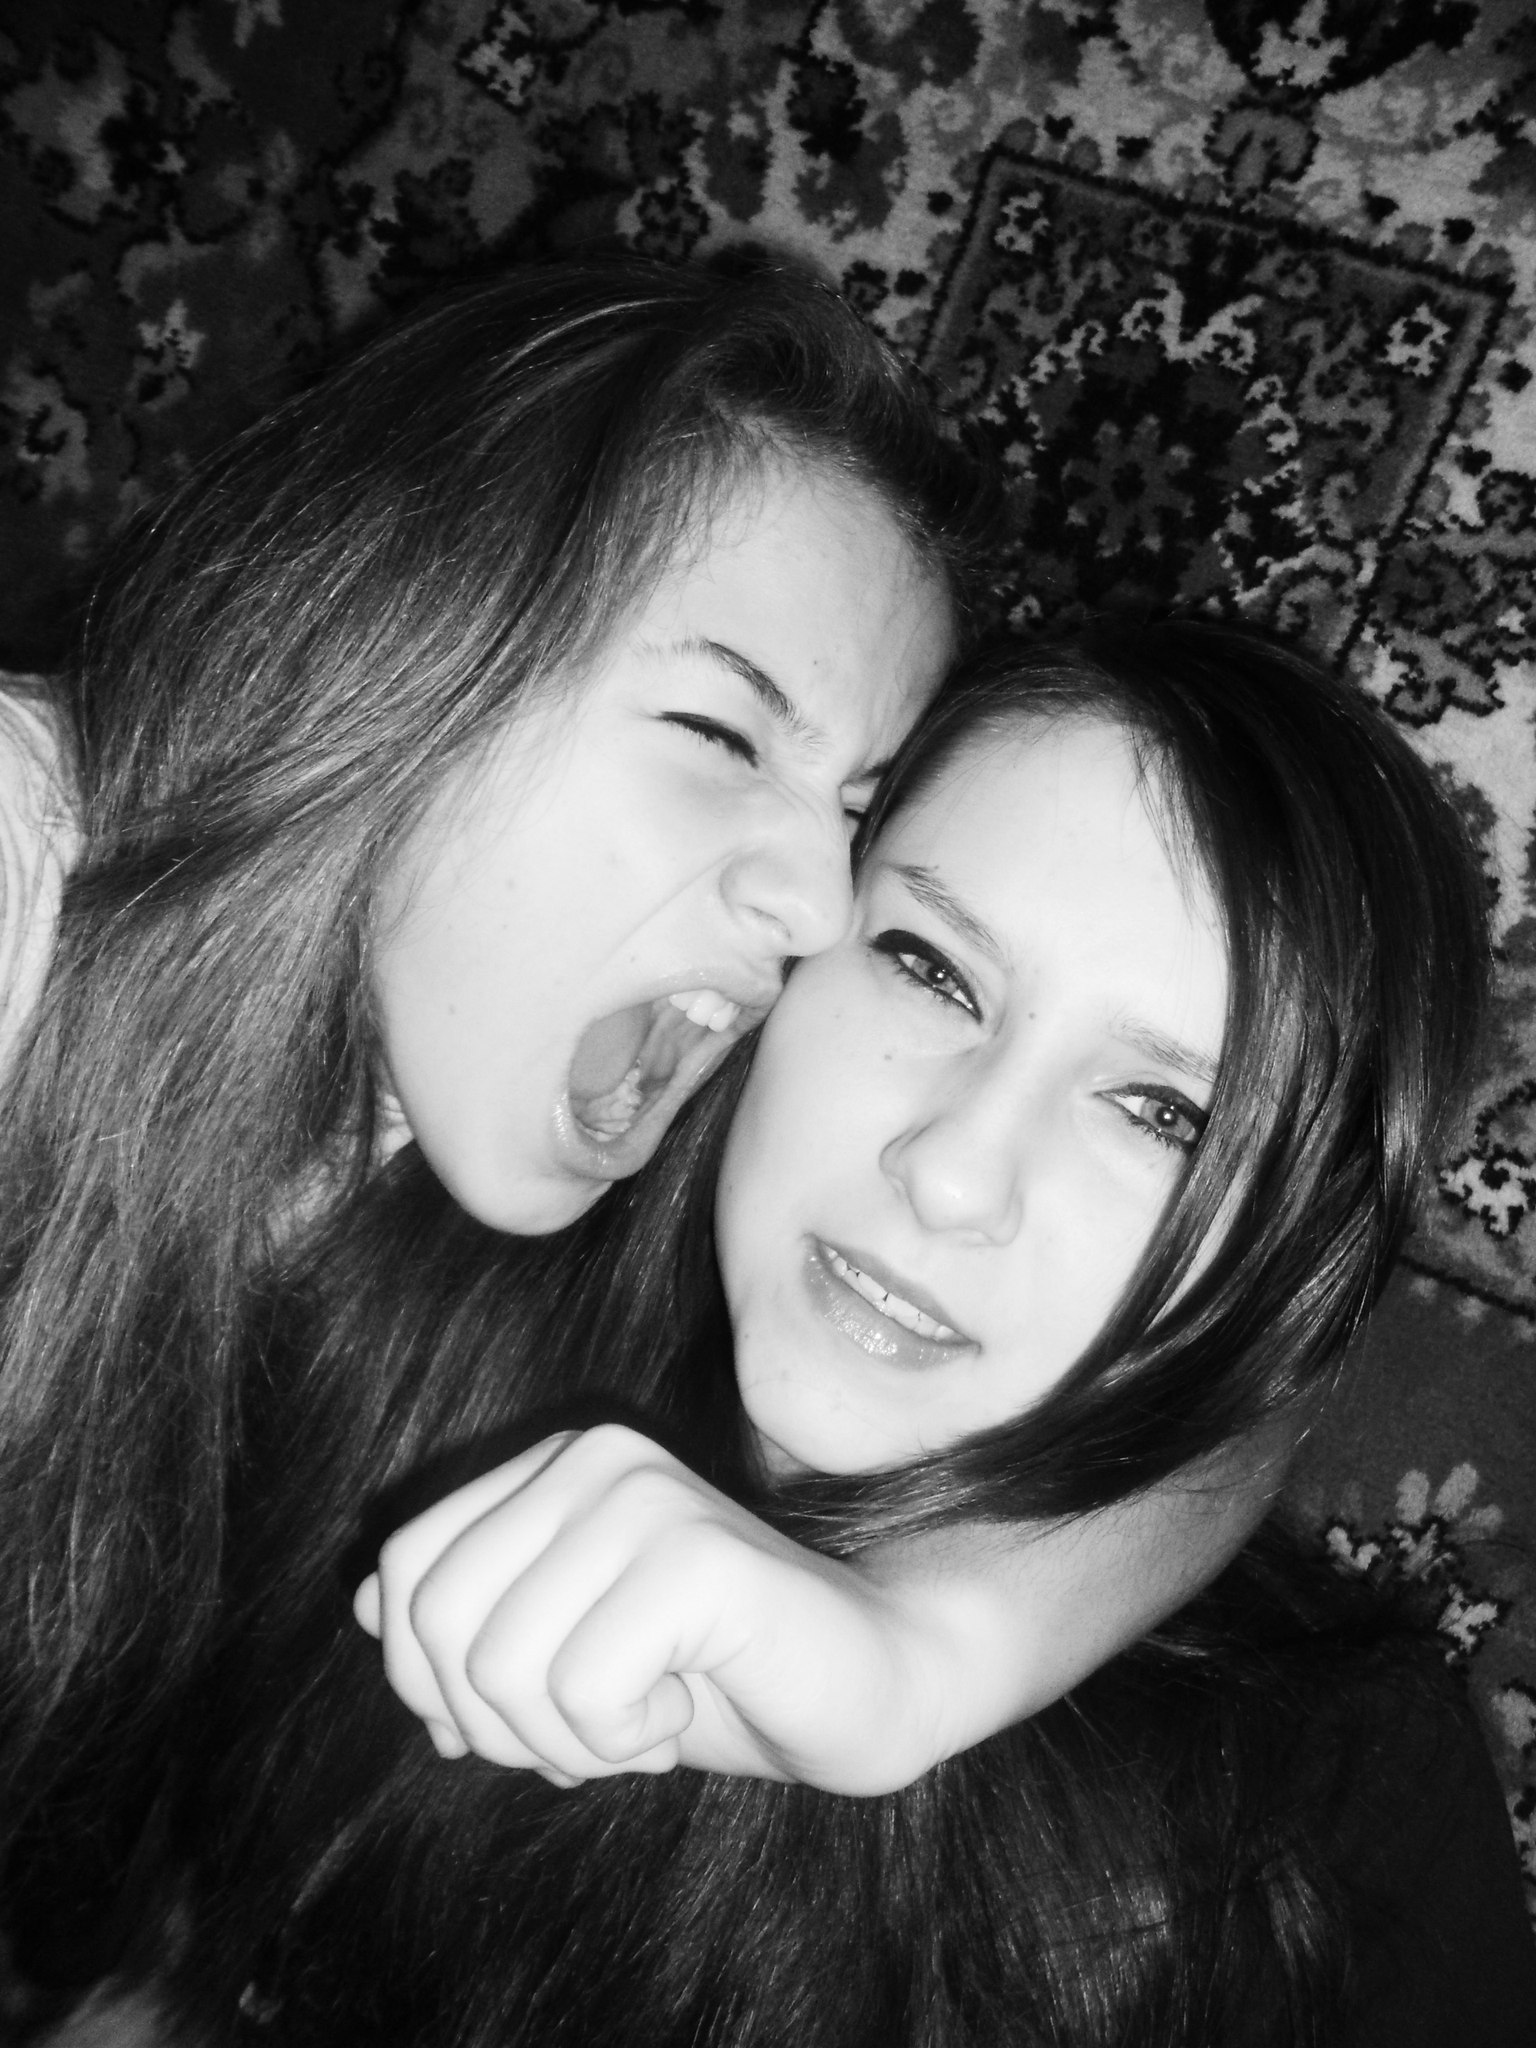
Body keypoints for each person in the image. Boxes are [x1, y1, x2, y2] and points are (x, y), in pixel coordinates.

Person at [0, 256, 1281, 1982]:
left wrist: (923, 1663)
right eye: (719, 732)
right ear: (373, 633)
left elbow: (1254, 1369)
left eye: (851, 814)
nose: (814, 903)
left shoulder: (577, 1104)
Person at [111, 622, 1530, 2045]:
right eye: (929, 968)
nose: (954, 1172)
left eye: (1165, 1116)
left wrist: (930, 1657)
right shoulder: (404, 1286)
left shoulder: (1328, 1799)